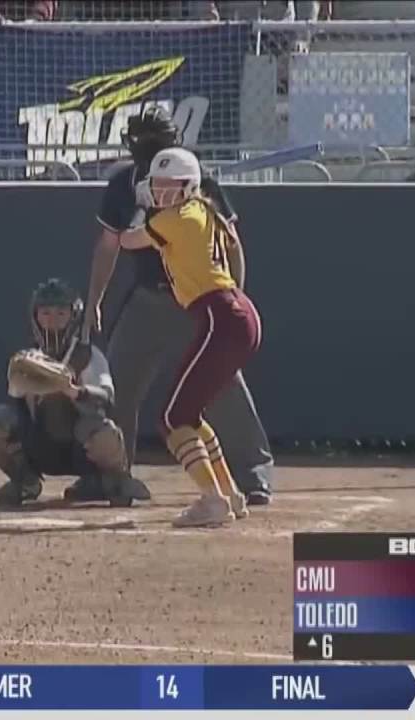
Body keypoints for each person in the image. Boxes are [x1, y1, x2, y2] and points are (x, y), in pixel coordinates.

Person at [81, 106, 274, 505]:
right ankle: (111, 474)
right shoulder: (123, 184)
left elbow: (231, 241)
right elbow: (109, 245)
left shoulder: (195, 179)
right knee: (118, 383)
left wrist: (235, 293)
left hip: (197, 301)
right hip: (150, 297)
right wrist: (95, 300)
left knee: (222, 386)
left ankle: (252, 476)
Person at [117, 148, 260, 527]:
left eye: (170, 186)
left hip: (220, 316)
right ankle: (228, 494)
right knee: (189, 414)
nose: (161, 193)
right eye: (158, 186)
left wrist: (131, 215)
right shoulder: (202, 210)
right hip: (234, 314)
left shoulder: (177, 218)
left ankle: (212, 500)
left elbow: (129, 241)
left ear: (189, 186)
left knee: (172, 417)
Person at [0, 279, 150, 507]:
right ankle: (24, 481)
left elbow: (106, 399)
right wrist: (38, 385)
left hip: (81, 449)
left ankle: (113, 481)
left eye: (61, 313)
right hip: (41, 446)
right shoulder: (28, 360)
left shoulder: (87, 355)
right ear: (35, 317)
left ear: (73, 316)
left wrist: (73, 391)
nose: (52, 320)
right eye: (46, 313)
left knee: (103, 430)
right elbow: (16, 405)